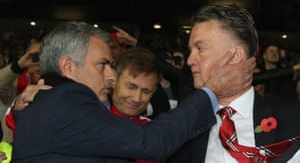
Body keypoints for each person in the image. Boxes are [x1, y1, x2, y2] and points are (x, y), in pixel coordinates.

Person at [11, 21, 255, 162]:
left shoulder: (42, 102)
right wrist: (212, 91)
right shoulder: (65, 100)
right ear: (68, 66)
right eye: (102, 65)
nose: (110, 75)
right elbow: (151, 141)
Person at [166, 4, 300, 163]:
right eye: (190, 51)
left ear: (235, 56)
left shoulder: (293, 119)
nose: (190, 60)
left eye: (200, 49)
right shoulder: (182, 127)